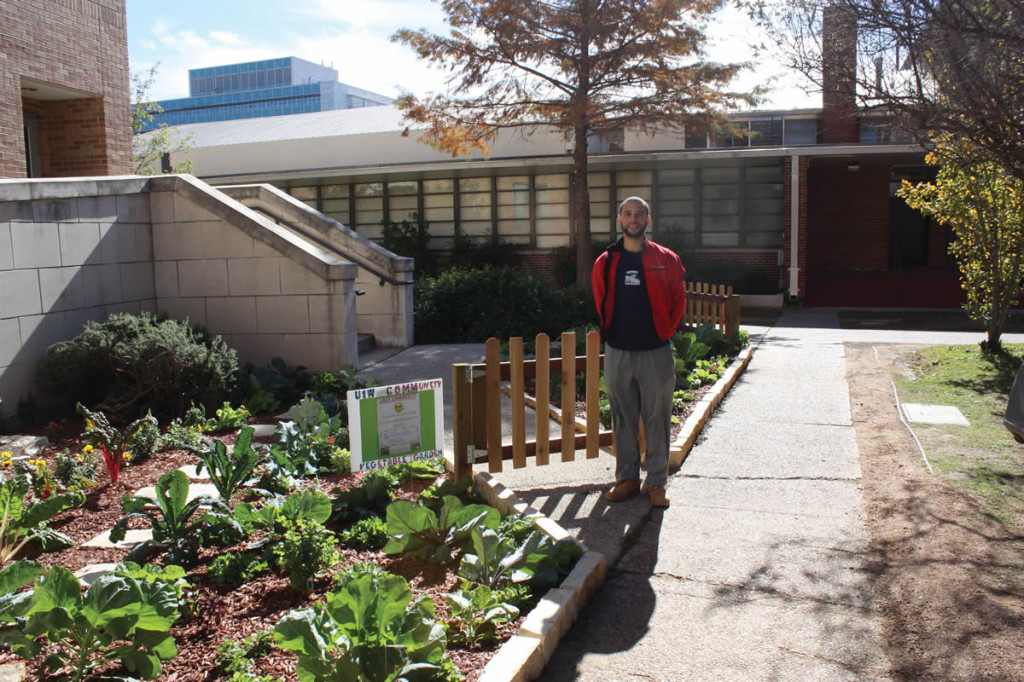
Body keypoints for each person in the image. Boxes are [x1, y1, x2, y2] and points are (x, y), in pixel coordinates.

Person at [592, 196, 686, 508]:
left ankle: (656, 482)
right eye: (627, 213)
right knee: (623, 418)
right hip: (618, 351)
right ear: (620, 220)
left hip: (655, 353)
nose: (633, 219)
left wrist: (665, 333)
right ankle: (627, 478)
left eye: (639, 214)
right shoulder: (605, 262)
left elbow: (678, 301)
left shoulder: (667, 259)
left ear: (648, 220)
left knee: (657, 418)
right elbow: (600, 298)